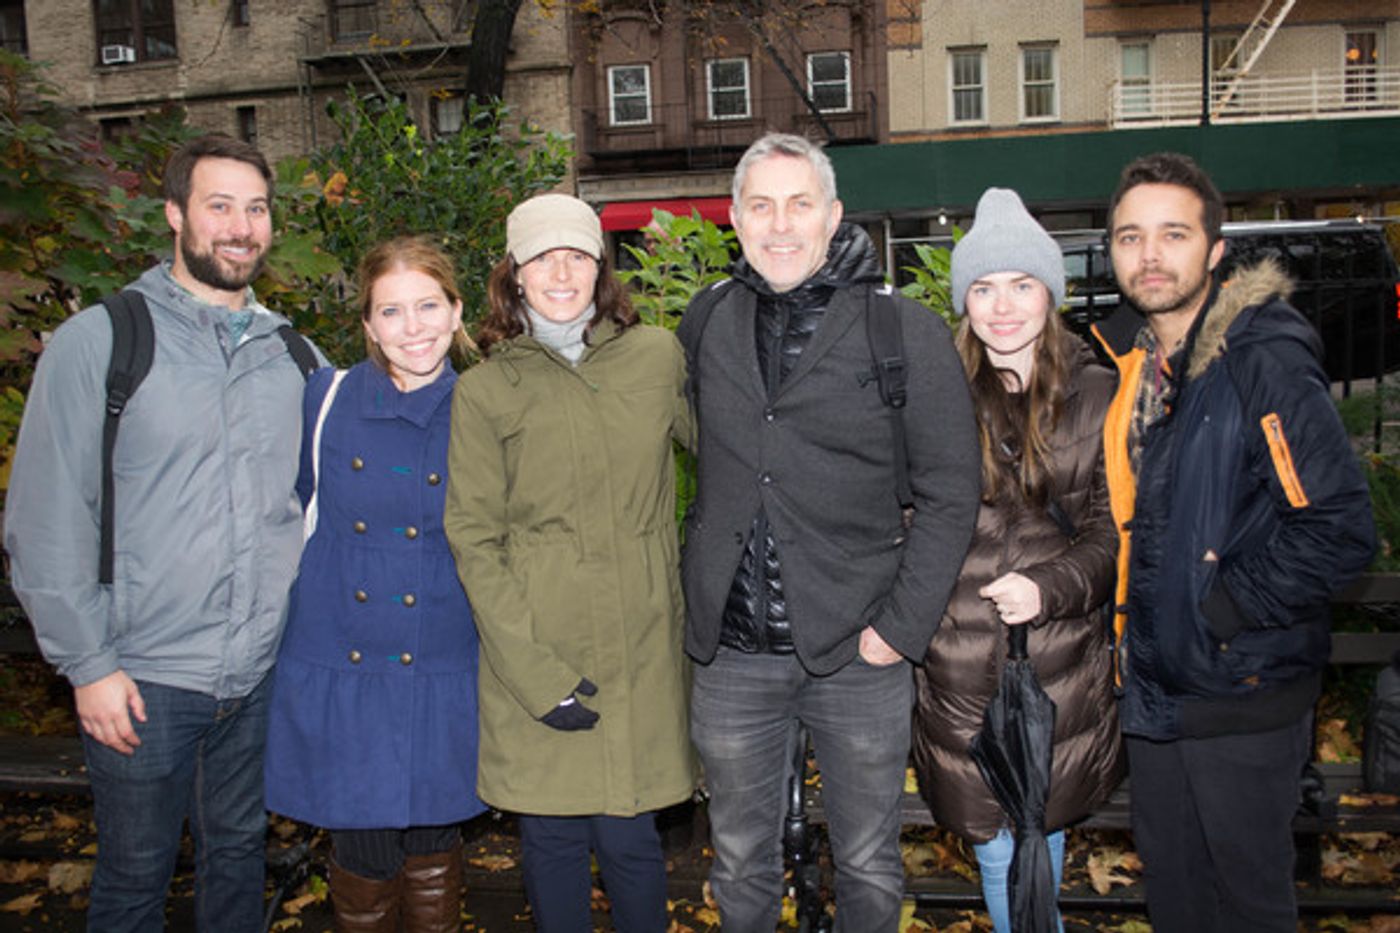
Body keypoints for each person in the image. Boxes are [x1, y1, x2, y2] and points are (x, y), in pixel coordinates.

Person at [4, 134, 321, 933]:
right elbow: (44, 516)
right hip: (140, 681)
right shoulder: (103, 343)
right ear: (176, 214)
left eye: (255, 208)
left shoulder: (295, 356)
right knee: (134, 883)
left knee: (238, 862)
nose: (241, 226)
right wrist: (89, 664)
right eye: (219, 206)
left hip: (257, 677)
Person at [679, 132, 981, 932]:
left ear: (834, 215)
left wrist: (900, 630)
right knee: (739, 859)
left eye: (799, 204)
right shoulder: (705, 320)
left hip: (860, 650)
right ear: (736, 220)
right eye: (761, 205)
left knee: (870, 863)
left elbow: (952, 492)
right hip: (735, 653)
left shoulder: (902, 331)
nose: (781, 225)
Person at [1095, 152, 1376, 932]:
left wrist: (1220, 608)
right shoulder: (1135, 364)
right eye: (1130, 237)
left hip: (1240, 693)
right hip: (1156, 697)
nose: (1149, 255)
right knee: (1180, 904)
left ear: (1215, 251)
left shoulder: (1261, 362)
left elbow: (1338, 528)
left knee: (1248, 909)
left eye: (1173, 234)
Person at [443, 193, 694, 932]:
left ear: (600, 267)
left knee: (632, 839)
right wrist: (534, 675)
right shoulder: (487, 390)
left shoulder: (656, 356)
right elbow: (473, 537)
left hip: (643, 645)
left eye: (578, 254)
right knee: (551, 839)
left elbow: (737, 455)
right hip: (542, 648)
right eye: (543, 256)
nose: (562, 270)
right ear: (514, 274)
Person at [910, 188, 1124, 933]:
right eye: (984, 287)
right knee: (996, 845)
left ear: (1050, 292)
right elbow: (906, 517)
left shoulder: (1097, 394)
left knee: (1042, 832)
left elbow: (1110, 536)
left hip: (1057, 665)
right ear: (964, 298)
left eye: (1022, 284)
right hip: (959, 663)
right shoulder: (934, 394)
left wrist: (1048, 587)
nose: (1003, 306)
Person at [263, 236, 484, 932]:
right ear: (366, 323)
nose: (411, 326)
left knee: (433, 835)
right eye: (391, 311)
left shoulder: (488, 406)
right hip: (345, 659)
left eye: (427, 305)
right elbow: (292, 509)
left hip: (443, 654)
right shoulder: (323, 399)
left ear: (455, 311)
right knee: (361, 837)